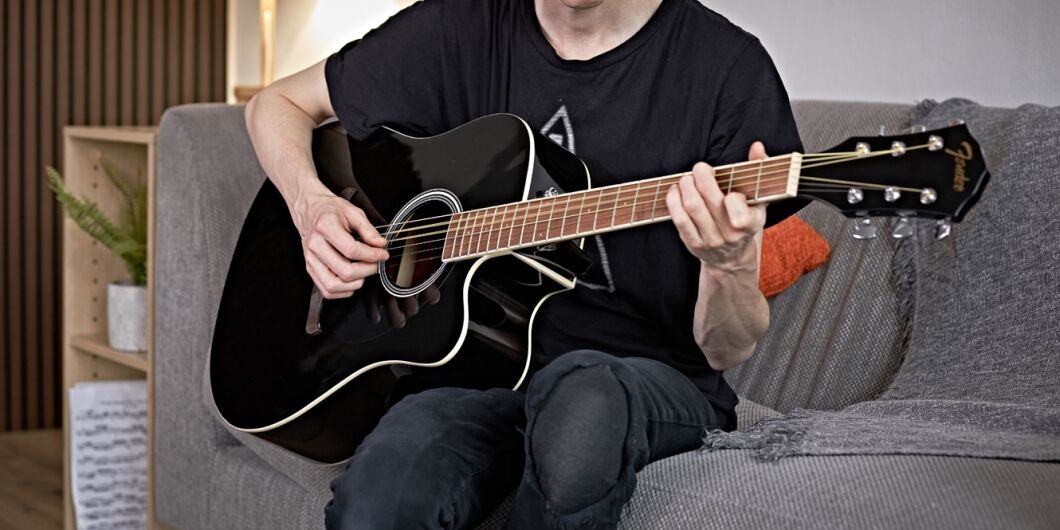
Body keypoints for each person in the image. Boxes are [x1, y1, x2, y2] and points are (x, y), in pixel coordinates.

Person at [245, 0, 807, 528]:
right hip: (471, 371)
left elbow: (726, 350)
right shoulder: (459, 26)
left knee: (583, 405)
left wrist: (728, 263)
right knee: (381, 494)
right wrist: (310, 205)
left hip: (643, 380)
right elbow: (276, 105)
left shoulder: (726, 68)